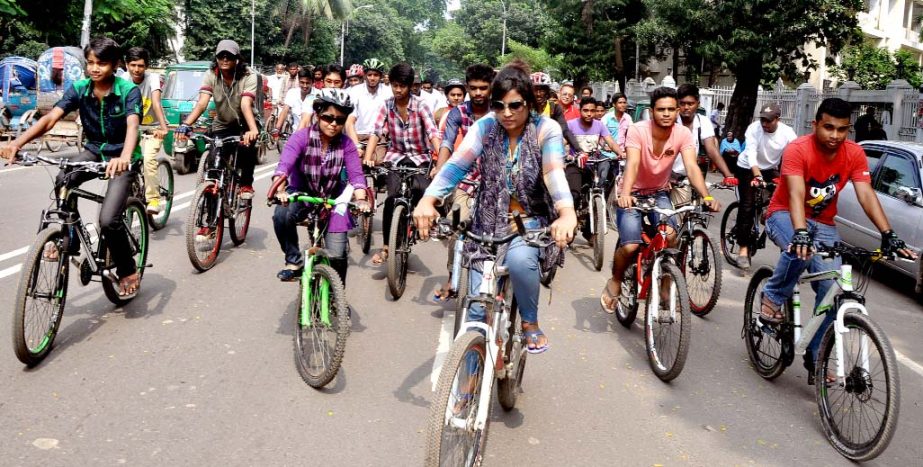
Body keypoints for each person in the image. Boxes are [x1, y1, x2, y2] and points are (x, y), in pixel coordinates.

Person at [413, 61, 577, 353]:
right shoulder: (485, 126)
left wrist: (566, 213)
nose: (507, 113)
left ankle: (529, 322)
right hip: (486, 224)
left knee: (519, 262)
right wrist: (428, 199)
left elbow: (553, 173)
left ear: (528, 103)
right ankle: (468, 387)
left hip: (529, 222)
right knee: (475, 312)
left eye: (515, 105)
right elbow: (457, 165)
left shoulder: (545, 129)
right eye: (499, 106)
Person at [759, 98, 914, 382]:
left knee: (833, 292)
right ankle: (772, 297)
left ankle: (816, 356)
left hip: (825, 223)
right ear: (815, 124)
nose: (834, 135)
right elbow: (794, 193)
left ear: (849, 130)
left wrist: (887, 232)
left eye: (842, 129)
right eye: (828, 127)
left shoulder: (854, 153)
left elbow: (866, 194)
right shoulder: (798, 149)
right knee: (800, 247)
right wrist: (801, 230)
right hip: (783, 213)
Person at [1, 37, 143, 296]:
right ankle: (70, 237)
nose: (95, 68)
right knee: (64, 177)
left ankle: (127, 268)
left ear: (114, 65)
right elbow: (50, 119)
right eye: (90, 63)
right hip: (93, 151)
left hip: (123, 156)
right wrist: (17, 144)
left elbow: (133, 125)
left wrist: (124, 157)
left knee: (109, 220)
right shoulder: (80, 88)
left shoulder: (128, 90)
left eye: (101, 63)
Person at [600, 87, 721, 312]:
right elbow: (633, 164)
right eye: (661, 109)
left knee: (671, 237)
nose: (666, 114)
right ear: (652, 111)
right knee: (631, 246)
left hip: (658, 192)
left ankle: (665, 286)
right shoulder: (637, 130)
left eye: (671, 109)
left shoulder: (683, 134)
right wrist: (625, 194)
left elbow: (692, 167)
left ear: (677, 111)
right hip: (632, 193)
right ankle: (615, 280)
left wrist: (707, 195)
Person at [270, 89, 369, 282]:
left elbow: (356, 176)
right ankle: (294, 261)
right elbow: (284, 167)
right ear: (317, 114)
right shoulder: (300, 138)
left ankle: (336, 298)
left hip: (334, 198)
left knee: (338, 254)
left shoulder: (347, 144)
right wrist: (279, 189)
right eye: (328, 118)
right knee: (281, 215)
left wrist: (362, 200)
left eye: (340, 120)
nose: (334, 124)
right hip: (302, 193)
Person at [363, 63, 440, 266]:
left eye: (402, 86)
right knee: (391, 200)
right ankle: (388, 246)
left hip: (420, 157)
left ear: (409, 86)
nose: (398, 90)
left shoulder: (421, 105)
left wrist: (440, 161)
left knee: (421, 190)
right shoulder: (386, 105)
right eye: (395, 85)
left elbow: (432, 132)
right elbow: (376, 132)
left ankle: (415, 224)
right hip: (395, 157)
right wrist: (369, 156)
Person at [431, 64, 496, 302]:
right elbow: (447, 144)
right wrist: (440, 173)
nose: (478, 93)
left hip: (497, 182)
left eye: (483, 88)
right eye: (474, 88)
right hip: (467, 180)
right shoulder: (458, 113)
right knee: (457, 228)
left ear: (491, 88)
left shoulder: (500, 111)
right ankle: (453, 276)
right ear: (467, 88)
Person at [177, 39, 259, 205]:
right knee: (214, 168)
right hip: (222, 123)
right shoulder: (211, 75)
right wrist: (186, 124)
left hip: (245, 122)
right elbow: (202, 103)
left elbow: (245, 104)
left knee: (247, 147)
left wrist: (252, 129)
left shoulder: (249, 76)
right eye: (221, 56)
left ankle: (246, 185)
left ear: (237, 59)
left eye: (229, 56)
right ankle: (209, 223)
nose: (225, 60)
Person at [734, 102, 798, 270]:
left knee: (783, 205)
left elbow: (795, 156)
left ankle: (766, 213)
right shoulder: (754, 129)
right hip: (747, 167)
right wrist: (757, 175)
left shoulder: (788, 133)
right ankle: (743, 248)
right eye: (762, 120)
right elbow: (751, 154)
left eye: (768, 121)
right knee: (747, 205)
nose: (764, 124)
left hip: (770, 169)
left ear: (778, 119)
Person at [669, 83, 737, 208]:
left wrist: (728, 175)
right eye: (682, 103)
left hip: (693, 175)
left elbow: (712, 150)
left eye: (690, 104)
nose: (686, 107)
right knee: (674, 218)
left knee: (697, 212)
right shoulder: (671, 121)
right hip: (671, 176)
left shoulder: (703, 121)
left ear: (698, 104)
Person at [565, 97, 620, 242]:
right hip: (575, 165)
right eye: (586, 110)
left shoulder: (599, 125)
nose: (589, 114)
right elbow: (562, 143)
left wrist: (621, 153)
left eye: (592, 111)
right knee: (574, 195)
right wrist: (565, 155)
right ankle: (570, 224)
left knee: (596, 194)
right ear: (580, 110)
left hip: (593, 165)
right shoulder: (570, 125)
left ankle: (590, 232)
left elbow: (611, 142)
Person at [124, 47, 169, 215]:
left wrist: (163, 128)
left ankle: (154, 198)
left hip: (153, 128)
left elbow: (156, 103)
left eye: (141, 66)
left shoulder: (153, 79)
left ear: (147, 66)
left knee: (149, 158)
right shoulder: (123, 78)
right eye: (133, 65)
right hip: (131, 128)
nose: (136, 69)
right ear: (127, 65)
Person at [345, 58, 392, 163]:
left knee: (379, 164)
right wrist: (357, 145)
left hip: (379, 137)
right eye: (369, 75)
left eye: (376, 75)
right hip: (358, 135)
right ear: (365, 75)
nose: (372, 78)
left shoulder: (388, 92)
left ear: (380, 76)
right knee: (355, 165)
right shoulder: (355, 91)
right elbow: (349, 122)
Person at [531, 72, 581, 153]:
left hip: (548, 150)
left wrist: (579, 150)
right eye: (535, 90)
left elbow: (565, 130)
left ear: (547, 92)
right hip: (528, 151)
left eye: (542, 90)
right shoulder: (524, 108)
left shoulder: (554, 108)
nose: (538, 94)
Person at [274, 69, 315, 133]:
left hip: (312, 135)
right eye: (302, 82)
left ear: (312, 82)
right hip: (295, 133)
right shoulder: (292, 93)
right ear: (298, 81)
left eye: (307, 83)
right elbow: (285, 110)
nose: (305, 86)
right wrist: (277, 128)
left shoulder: (318, 95)